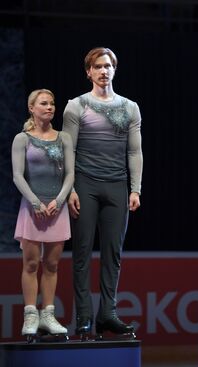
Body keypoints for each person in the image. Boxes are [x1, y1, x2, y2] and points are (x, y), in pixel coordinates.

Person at [63, 47, 143, 339]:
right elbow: (67, 149)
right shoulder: (76, 106)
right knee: (82, 252)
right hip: (85, 185)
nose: (103, 70)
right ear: (89, 72)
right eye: (97, 66)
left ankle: (107, 313)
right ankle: (83, 317)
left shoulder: (130, 107)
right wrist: (70, 187)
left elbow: (135, 151)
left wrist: (135, 188)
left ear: (114, 69)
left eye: (108, 65)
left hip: (117, 186)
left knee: (113, 253)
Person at [12, 89, 74, 340]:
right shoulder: (22, 139)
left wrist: (59, 201)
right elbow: (17, 175)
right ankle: (30, 315)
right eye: (44, 103)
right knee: (30, 263)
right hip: (32, 208)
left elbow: (70, 174)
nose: (50, 107)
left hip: (56, 210)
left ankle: (48, 314)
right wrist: (35, 202)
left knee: (52, 264)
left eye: (52, 104)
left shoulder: (64, 138)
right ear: (32, 108)